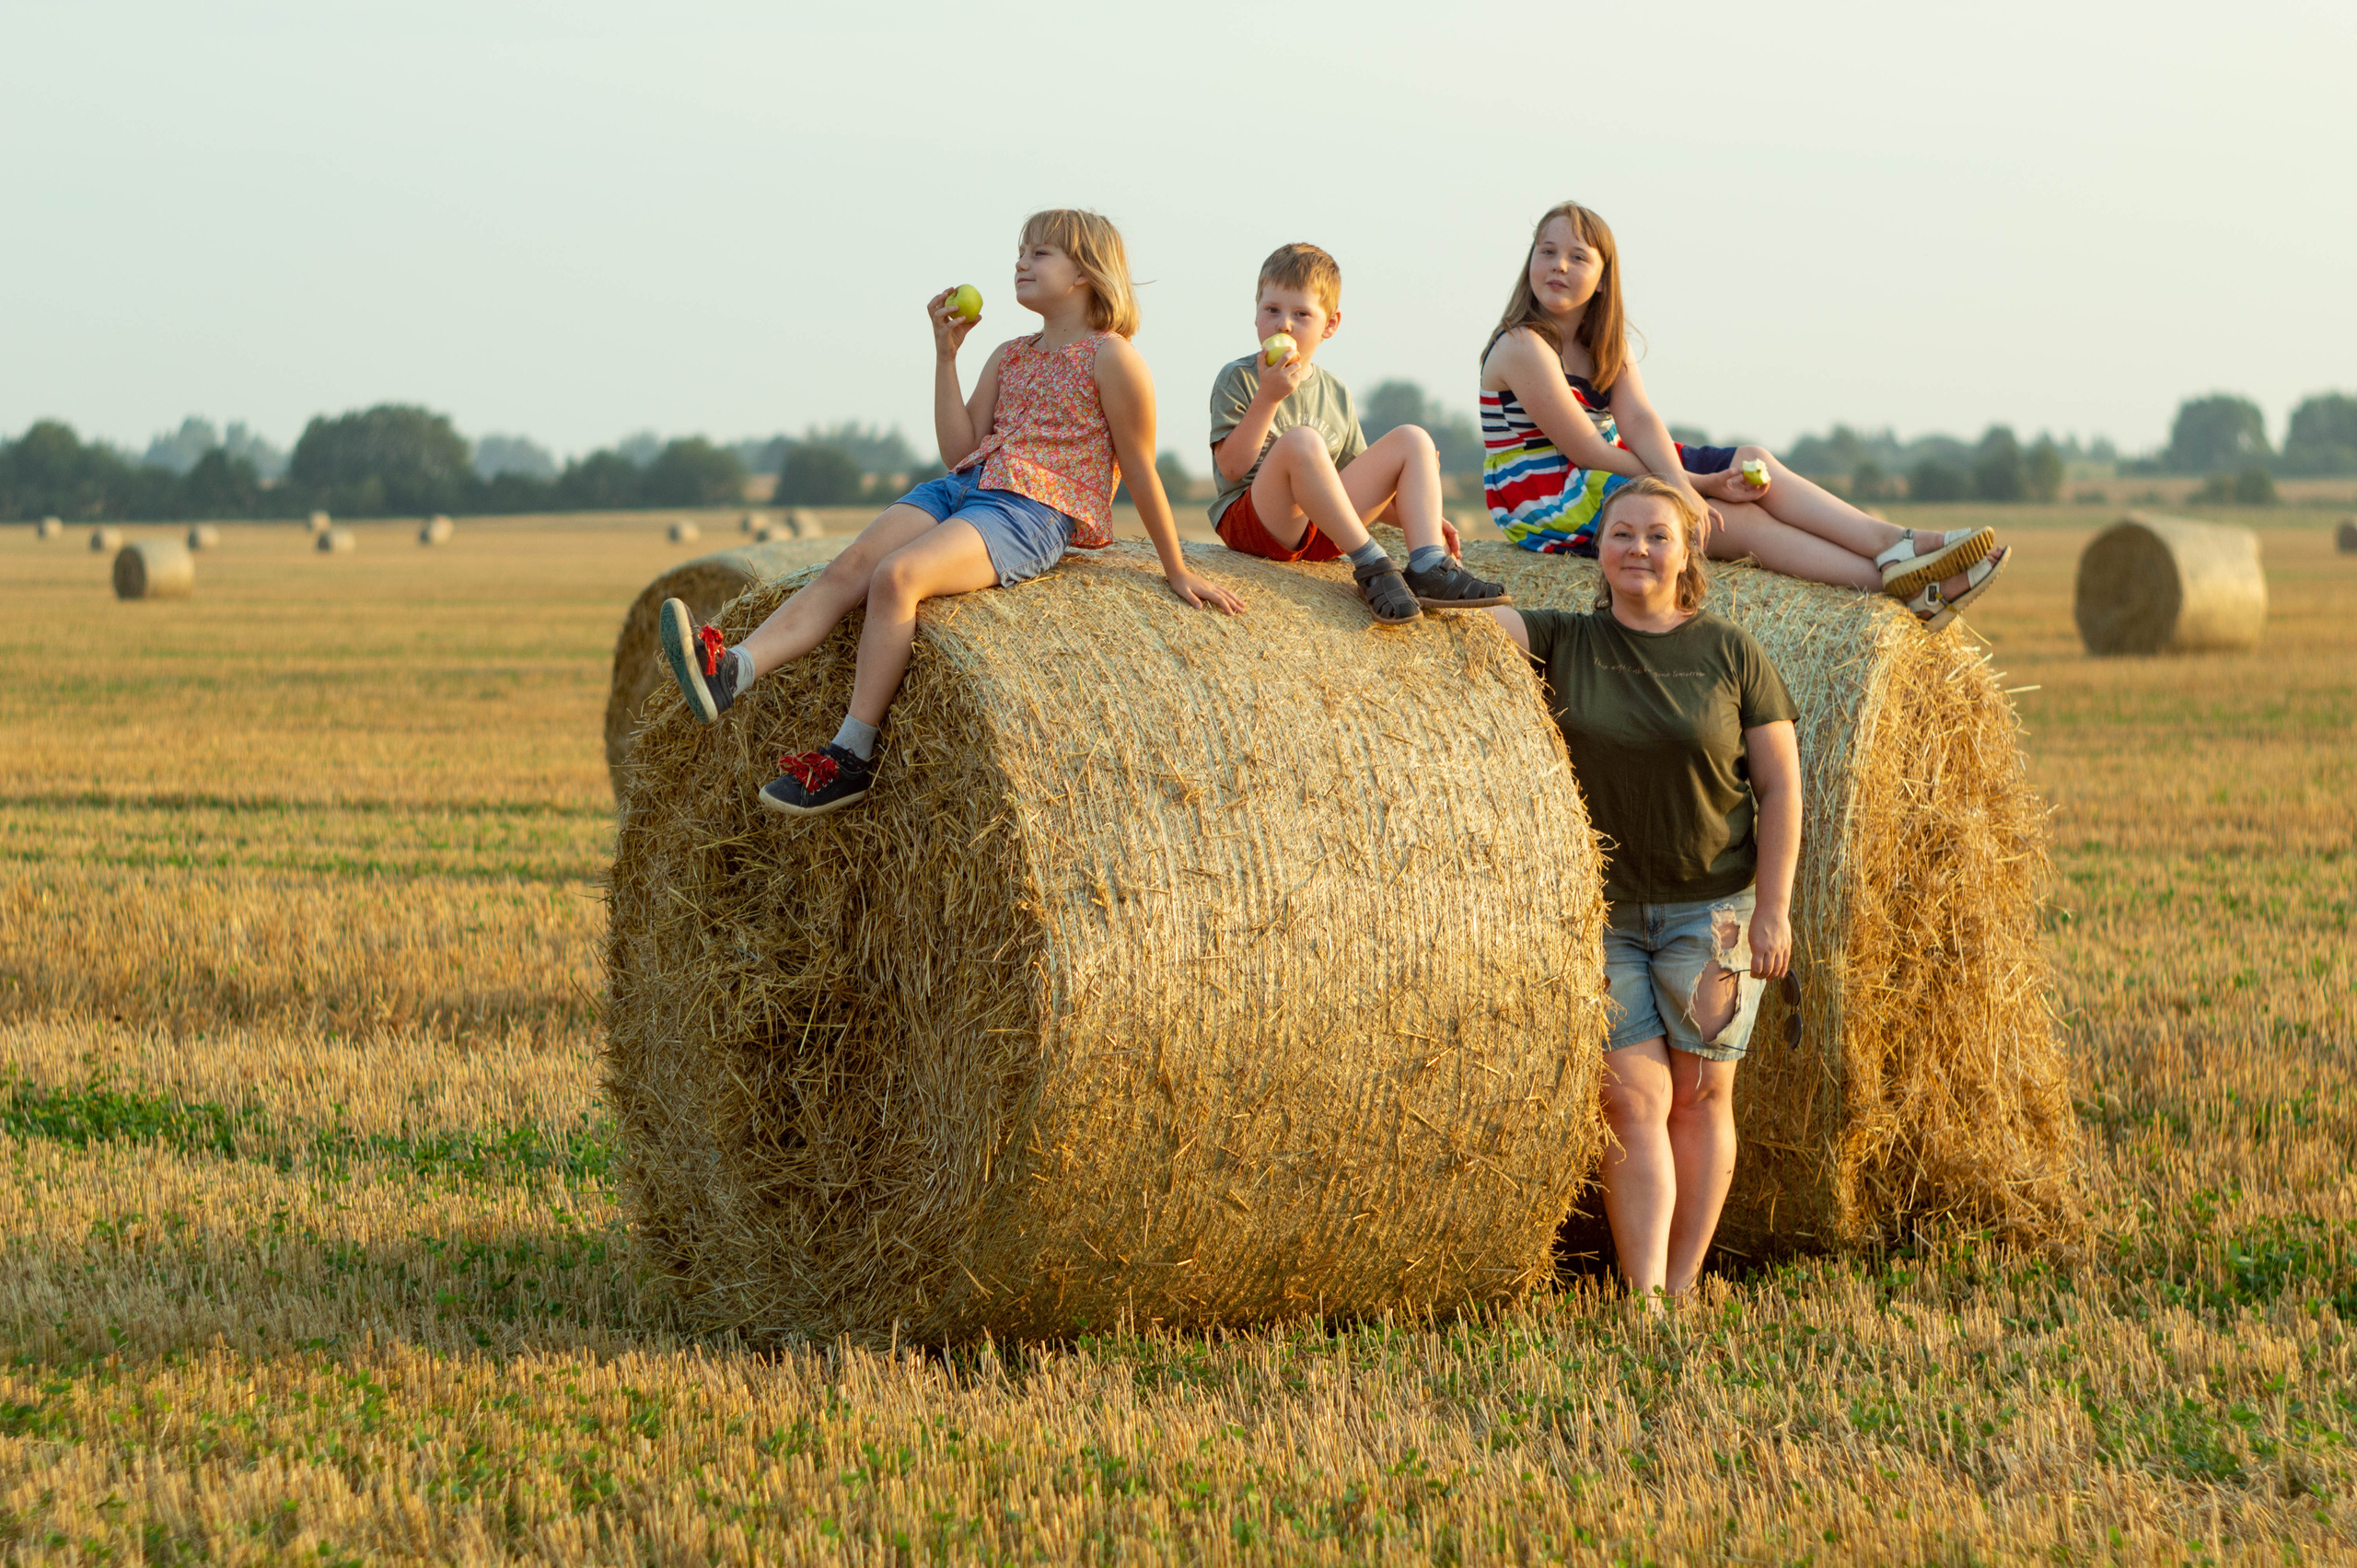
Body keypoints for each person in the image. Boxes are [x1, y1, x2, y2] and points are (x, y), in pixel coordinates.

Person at [657, 208, 1245, 817]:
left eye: (1039, 253)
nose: (1021, 261)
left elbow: (1141, 467)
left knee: (898, 577)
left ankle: (849, 755)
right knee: (850, 566)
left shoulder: (1112, 357)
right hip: (963, 485)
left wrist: (1175, 568)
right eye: (1022, 250)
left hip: (1031, 510)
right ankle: (731, 671)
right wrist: (945, 356)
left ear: (1086, 273)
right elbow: (961, 448)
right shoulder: (1009, 354)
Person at [1489, 477, 1802, 1303]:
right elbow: (1474, 630)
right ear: (1598, 549)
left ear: (1687, 550)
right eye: (1621, 533)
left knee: (1700, 1096)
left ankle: (1683, 1281)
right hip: (1604, 918)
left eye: (1657, 535)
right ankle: (1646, 1303)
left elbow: (1779, 787)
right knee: (1633, 1100)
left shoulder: (1732, 653)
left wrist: (1774, 908)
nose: (1637, 548)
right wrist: (1420, 555)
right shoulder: (1563, 640)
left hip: (1719, 914)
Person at [1480, 201, 2007, 630]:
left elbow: (1639, 421)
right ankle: (1898, 586)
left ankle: (1893, 544)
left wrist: (1694, 479)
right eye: (1546, 252)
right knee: (1741, 522)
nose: (1559, 266)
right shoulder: (1525, 345)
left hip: (1610, 467)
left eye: (1577, 257)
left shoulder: (1604, 344)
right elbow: (1585, 450)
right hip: (1549, 494)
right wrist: (1692, 485)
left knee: (1756, 465)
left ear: (1602, 279)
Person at [1208, 242, 1507, 623]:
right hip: (1256, 524)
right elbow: (1232, 469)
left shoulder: (1334, 392)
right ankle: (1372, 564)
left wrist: (1419, 515)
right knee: (1301, 441)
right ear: (1255, 316)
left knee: (1414, 439)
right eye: (1272, 310)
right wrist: (1267, 398)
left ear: (1329, 325)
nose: (1283, 324)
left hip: (1324, 532)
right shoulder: (1238, 379)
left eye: (1301, 314)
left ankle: (1429, 565)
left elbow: (1357, 491)